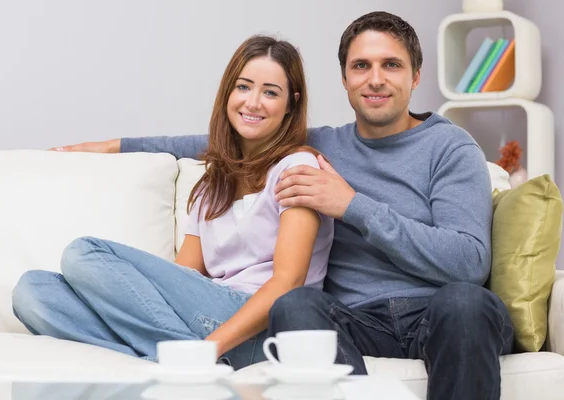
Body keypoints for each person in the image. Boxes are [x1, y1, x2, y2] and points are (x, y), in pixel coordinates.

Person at [50, 11, 514, 400]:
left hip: (439, 310)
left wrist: (352, 205)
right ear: (345, 79)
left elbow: (467, 263)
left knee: (464, 301)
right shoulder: (319, 143)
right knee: (296, 305)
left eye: (391, 65)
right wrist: (112, 146)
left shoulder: (451, 148)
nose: (375, 79)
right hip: (355, 319)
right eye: (361, 66)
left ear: (415, 75)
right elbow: (222, 138)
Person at [11, 35, 334, 370]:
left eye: (270, 92)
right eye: (243, 87)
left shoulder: (297, 170)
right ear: (227, 92)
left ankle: (190, 359)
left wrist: (208, 349)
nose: (253, 102)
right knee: (33, 291)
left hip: (259, 328)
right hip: (203, 316)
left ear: (291, 104)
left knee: (82, 253)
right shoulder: (212, 185)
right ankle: (169, 360)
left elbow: (288, 284)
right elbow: (184, 274)